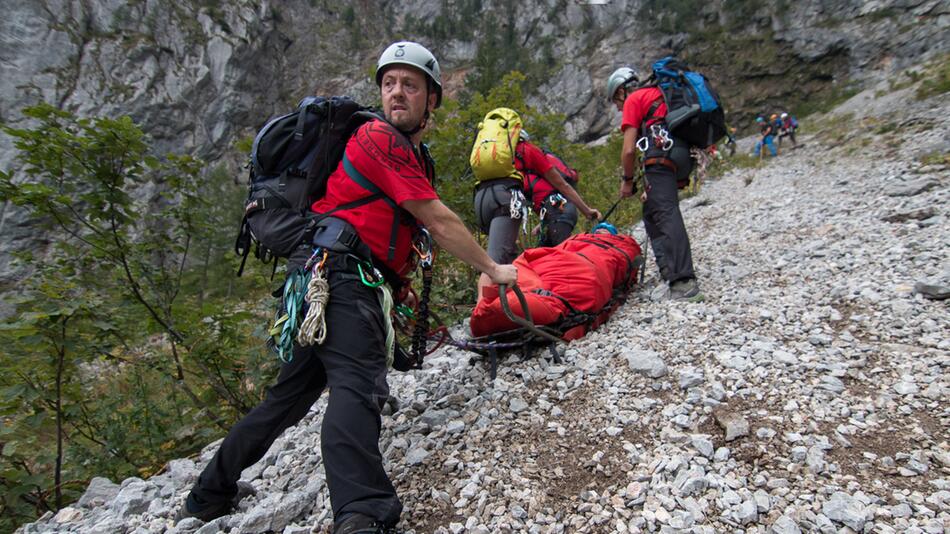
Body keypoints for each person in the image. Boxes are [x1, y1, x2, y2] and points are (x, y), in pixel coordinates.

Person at [179, 41, 518, 534]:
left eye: (410, 84)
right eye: (389, 83)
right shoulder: (377, 139)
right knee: (356, 389)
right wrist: (493, 267)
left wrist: (397, 287)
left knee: (285, 402)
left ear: (432, 98)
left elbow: (392, 228)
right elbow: (439, 221)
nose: (397, 92)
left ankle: (208, 494)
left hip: (331, 276)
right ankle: (361, 512)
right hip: (340, 280)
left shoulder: (410, 155)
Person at [473, 120, 600, 297]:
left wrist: (543, 223)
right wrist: (587, 211)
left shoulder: (509, 170)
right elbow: (563, 186)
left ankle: (561, 296)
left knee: (535, 260)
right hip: (560, 211)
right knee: (552, 261)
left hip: (483, 201)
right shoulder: (528, 155)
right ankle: (569, 296)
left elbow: (544, 199)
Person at [606, 65, 700, 299]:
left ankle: (683, 281)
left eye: (615, 101)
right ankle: (668, 270)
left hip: (661, 157)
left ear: (620, 91)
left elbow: (628, 151)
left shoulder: (634, 99)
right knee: (651, 211)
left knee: (666, 212)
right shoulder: (658, 93)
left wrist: (627, 181)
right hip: (681, 155)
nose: (618, 107)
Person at [519, 132, 587, 247]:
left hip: (559, 211)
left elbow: (561, 188)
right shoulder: (528, 173)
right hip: (557, 212)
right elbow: (545, 197)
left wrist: (587, 211)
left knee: (562, 258)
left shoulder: (527, 171)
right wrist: (542, 224)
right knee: (544, 259)